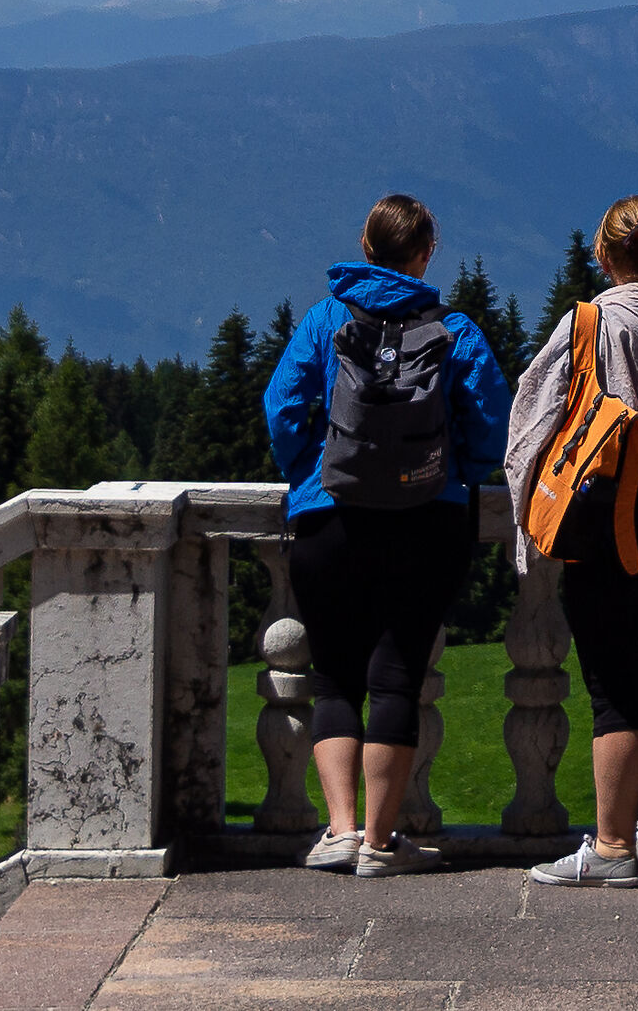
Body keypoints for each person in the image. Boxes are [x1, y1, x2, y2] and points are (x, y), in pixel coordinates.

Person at [264, 193, 511, 877]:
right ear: (425, 254)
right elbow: (493, 423)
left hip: (329, 518)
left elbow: (282, 406)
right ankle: (379, 843)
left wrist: (309, 473)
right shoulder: (454, 330)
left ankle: (340, 832)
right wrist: (456, 471)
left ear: (365, 247)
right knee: (398, 678)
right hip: (429, 520)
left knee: (335, 678)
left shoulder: (325, 320)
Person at [507, 196, 638, 888]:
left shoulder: (593, 321)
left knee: (616, 694)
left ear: (603, 254)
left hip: (612, 530)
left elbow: (533, 413)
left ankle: (612, 848)